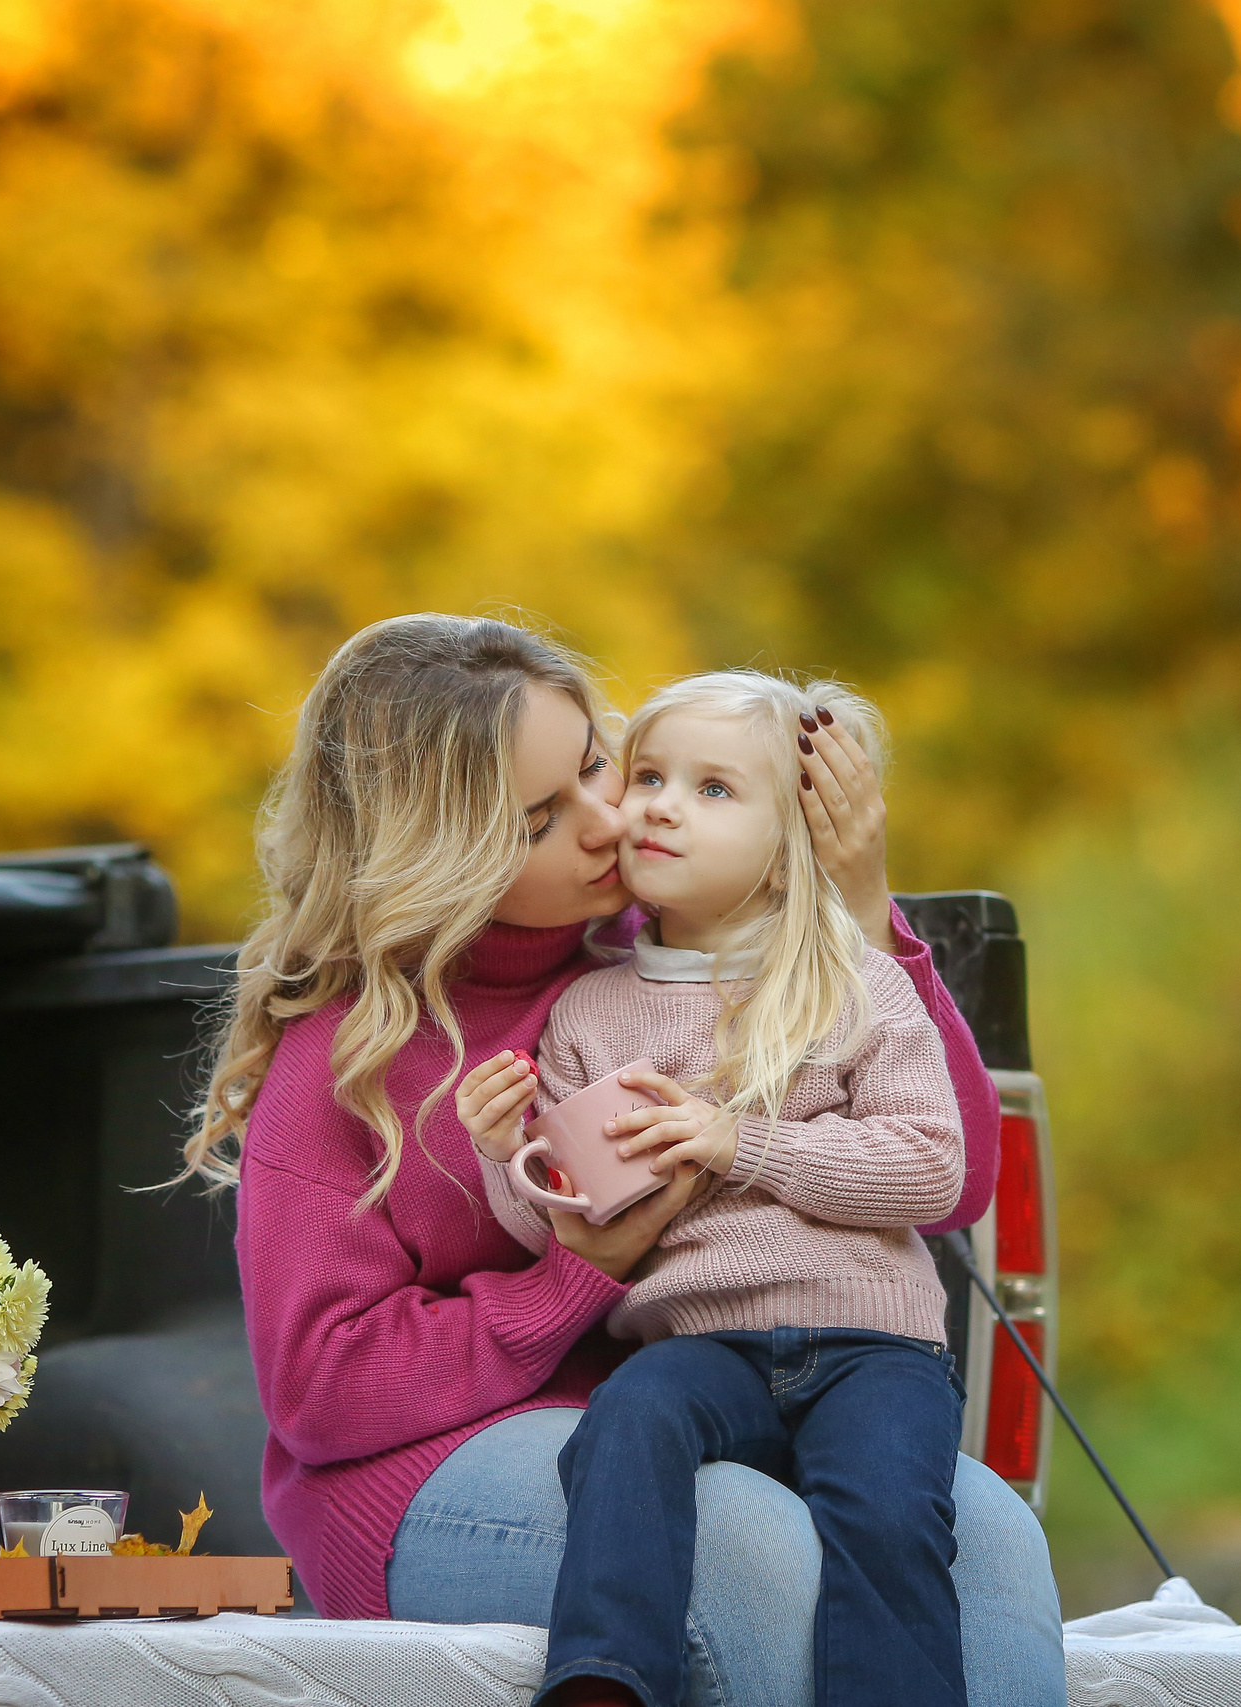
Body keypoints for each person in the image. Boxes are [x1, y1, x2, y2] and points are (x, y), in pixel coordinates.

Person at [186, 614, 1066, 1707]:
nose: (615, 816)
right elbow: (323, 1393)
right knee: (751, 1555)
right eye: (544, 815)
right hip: (428, 1465)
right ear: (449, 855)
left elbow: (955, 1181)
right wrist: (574, 1274)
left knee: (987, 1537)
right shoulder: (345, 1063)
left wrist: (854, 905)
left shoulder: (668, 958)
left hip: (700, 1402)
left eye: (599, 762)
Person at [459, 670, 969, 1707]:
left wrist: (744, 1144)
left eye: (712, 790)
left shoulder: (851, 981)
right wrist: (501, 1152)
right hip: (699, 1348)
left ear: (789, 847)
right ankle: (605, 1679)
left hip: (871, 1348)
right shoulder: (590, 1013)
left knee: (886, 1513)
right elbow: (564, 1227)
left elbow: (931, 1166)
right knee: (623, 1426)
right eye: (647, 775)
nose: (657, 804)